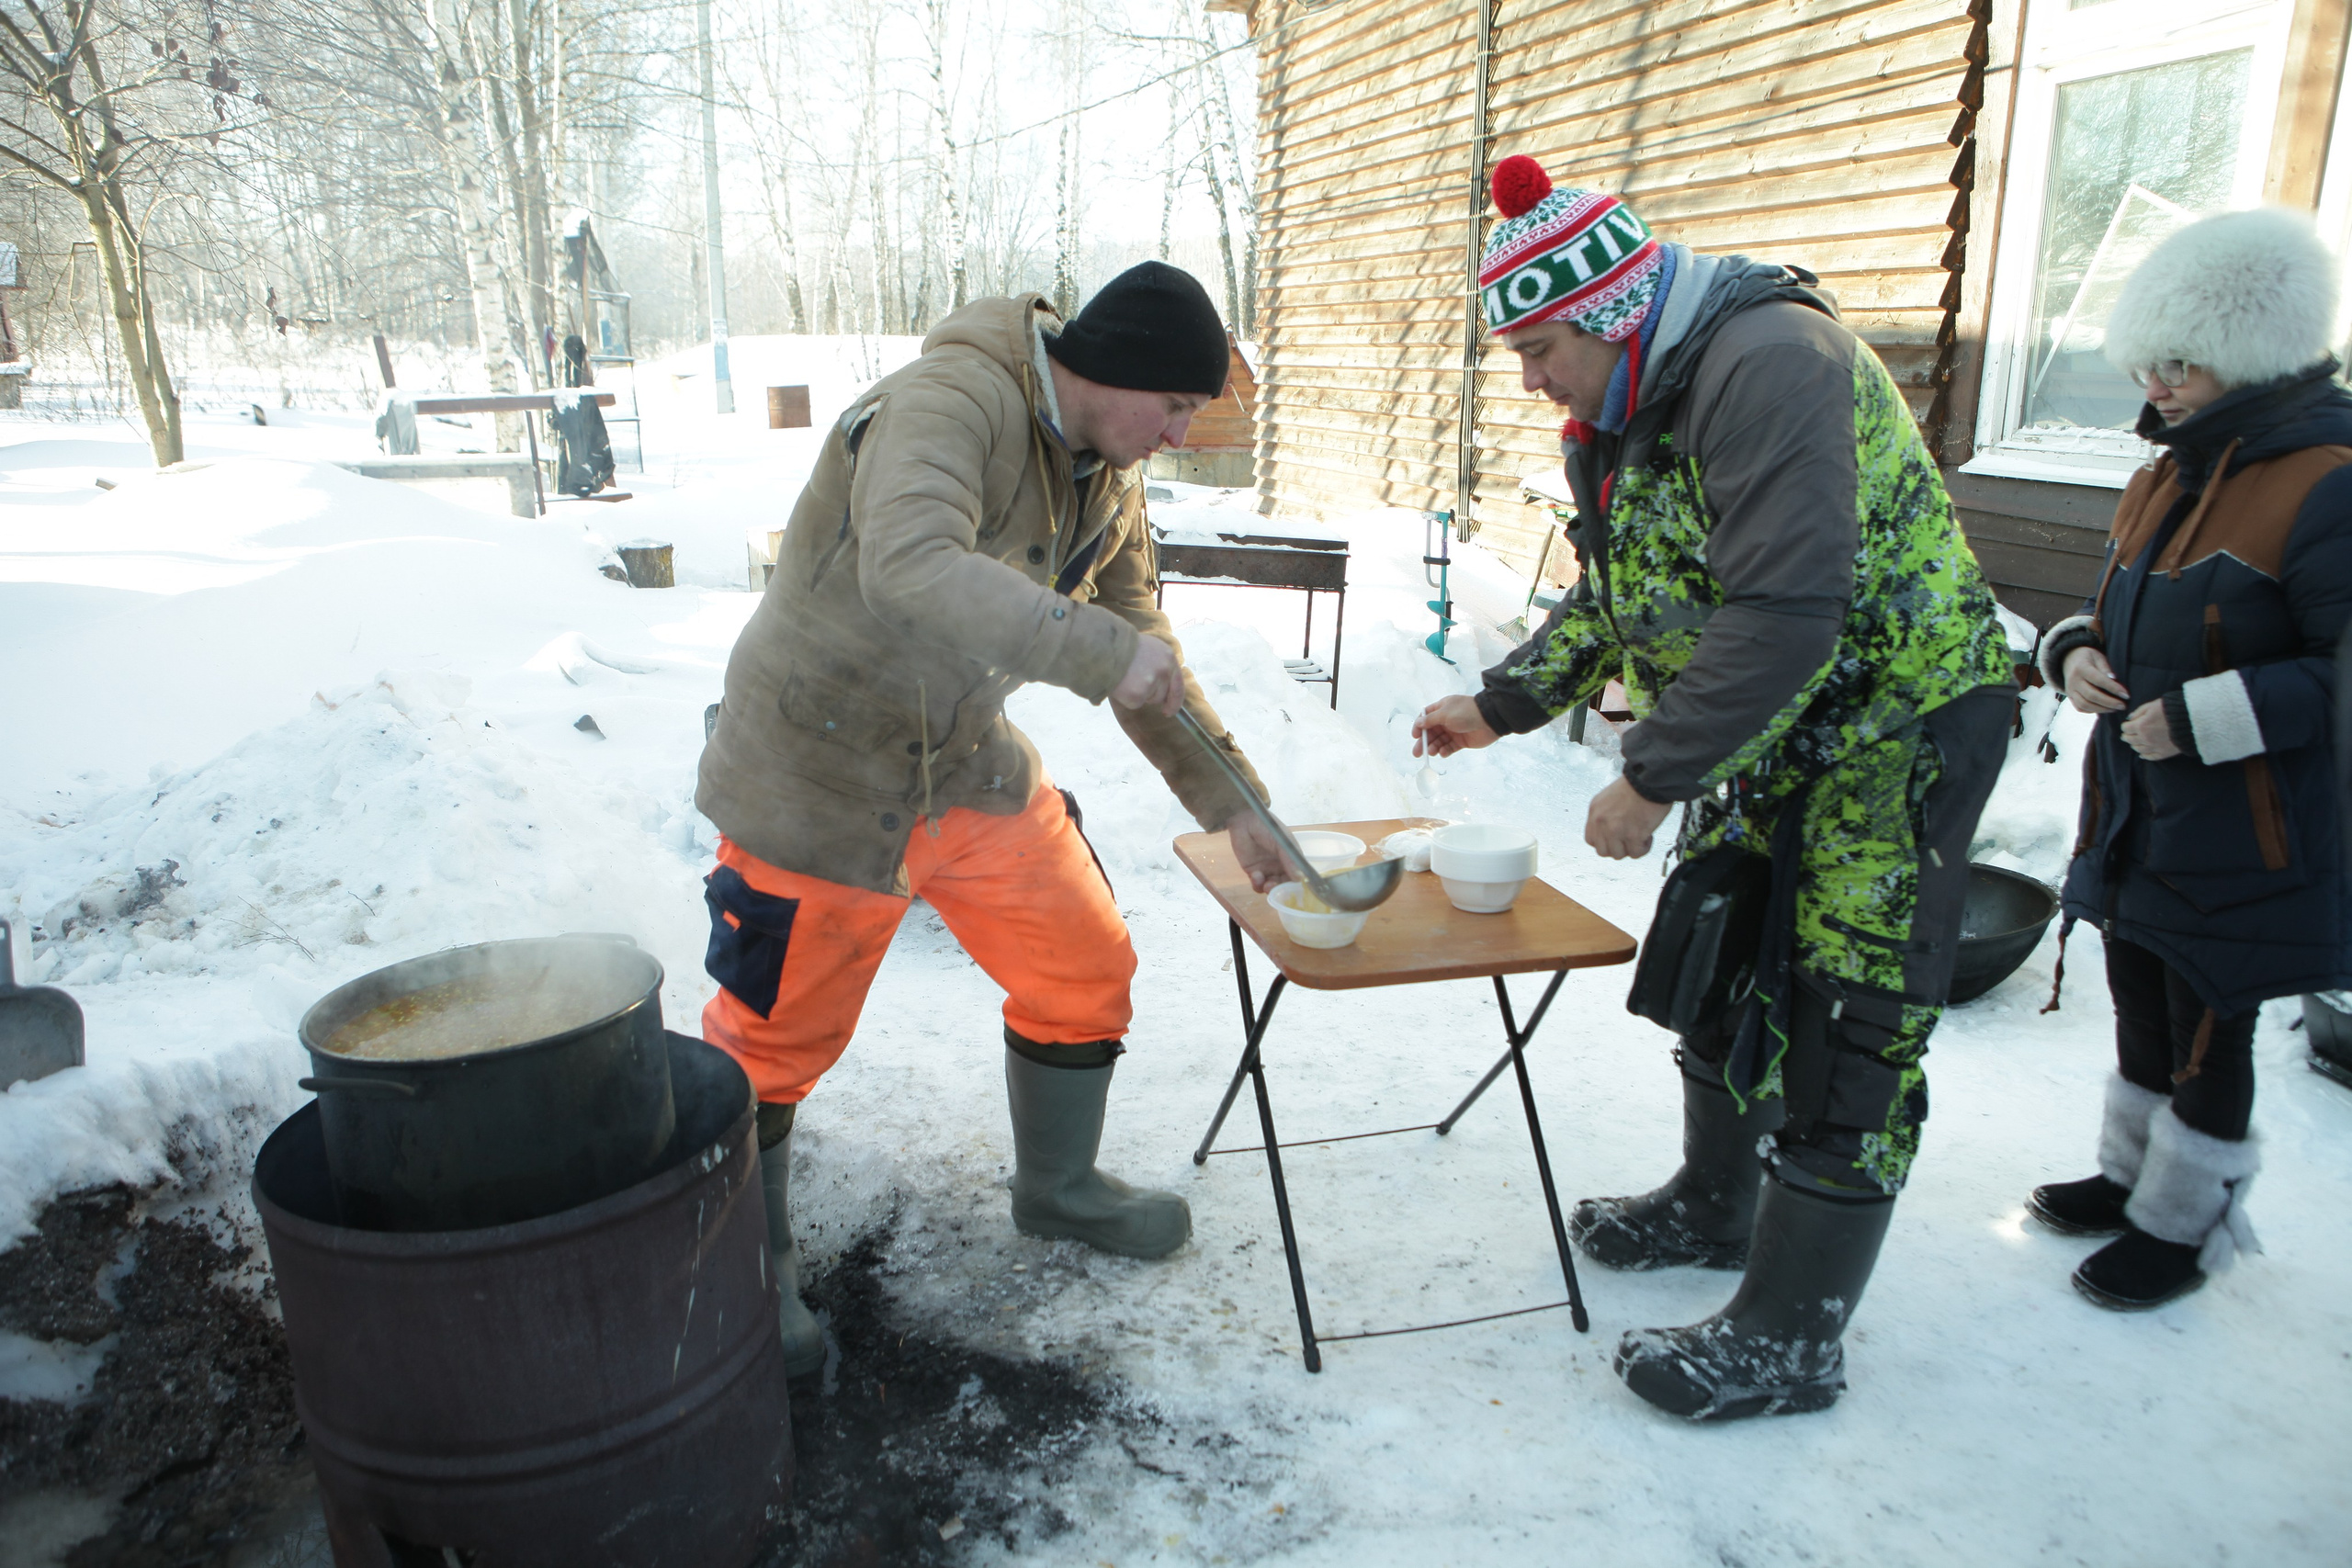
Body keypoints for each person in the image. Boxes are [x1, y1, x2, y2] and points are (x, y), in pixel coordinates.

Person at [1412, 155, 2014, 1420]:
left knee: (1851, 1012)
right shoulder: (1642, 401)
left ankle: (1793, 1336)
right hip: (1768, 727)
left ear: (1611, 312)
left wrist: (1653, 771)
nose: (1530, 381)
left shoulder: (1770, 364)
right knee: (1725, 955)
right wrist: (1502, 701)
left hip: (1889, 727)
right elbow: (1629, 588)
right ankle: (1714, 1204)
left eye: (1538, 349)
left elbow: (1788, 608)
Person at [695, 262, 1284, 1375]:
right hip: (817, 775)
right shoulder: (950, 401)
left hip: (965, 763)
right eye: (1174, 408)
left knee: (1083, 965)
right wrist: (1101, 653)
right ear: (1116, 373)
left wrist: (1236, 806)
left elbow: (1143, 654)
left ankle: (1057, 1188)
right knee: (771, 1042)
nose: (1176, 436)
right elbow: (911, 568)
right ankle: (748, 1270)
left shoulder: (1107, 477)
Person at [2029, 207, 2352, 1309]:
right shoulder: (2166, 472)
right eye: (2146, 361)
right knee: (2137, 992)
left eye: (2181, 363)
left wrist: (2208, 717)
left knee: (2210, 1018)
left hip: (2246, 817)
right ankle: (2131, 1179)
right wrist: (2073, 652)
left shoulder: (2326, 479)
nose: (2156, 385)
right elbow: (2113, 608)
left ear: (2252, 350)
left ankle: (2184, 1223)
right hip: (2137, 802)